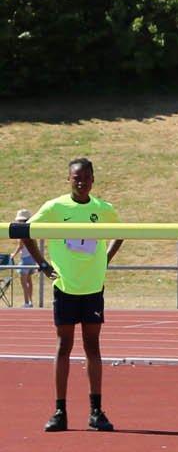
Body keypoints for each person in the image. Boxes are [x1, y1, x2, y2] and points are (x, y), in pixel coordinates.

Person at [18, 158, 122, 432]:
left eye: (86, 177)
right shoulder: (55, 207)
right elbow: (25, 230)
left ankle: (96, 411)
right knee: (64, 346)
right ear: (68, 179)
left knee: (92, 347)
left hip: (92, 288)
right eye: (76, 177)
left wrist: (106, 259)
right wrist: (41, 263)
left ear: (93, 180)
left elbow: (121, 232)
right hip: (65, 287)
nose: (81, 182)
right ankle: (59, 410)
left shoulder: (103, 209)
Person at [10, 209, 37, 307]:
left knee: (24, 282)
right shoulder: (32, 231)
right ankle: (30, 302)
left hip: (25, 259)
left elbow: (20, 246)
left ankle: (26, 302)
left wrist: (13, 254)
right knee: (29, 281)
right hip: (32, 259)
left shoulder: (22, 232)